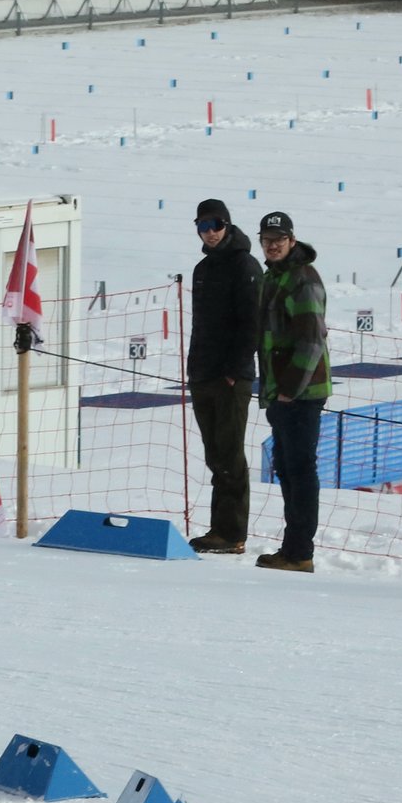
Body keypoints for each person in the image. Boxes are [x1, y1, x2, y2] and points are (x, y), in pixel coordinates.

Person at [254, 211, 329, 573]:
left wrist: (288, 390)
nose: (272, 245)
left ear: (292, 241)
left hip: (300, 393)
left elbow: (311, 341)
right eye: (267, 240)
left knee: (299, 471)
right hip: (281, 392)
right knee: (287, 467)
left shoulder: (303, 280)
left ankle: (300, 552)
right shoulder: (275, 277)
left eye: (279, 240)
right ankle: (293, 548)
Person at [185, 199, 261, 554]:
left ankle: (232, 534)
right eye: (203, 226)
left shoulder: (245, 265)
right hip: (203, 374)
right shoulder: (203, 268)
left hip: (231, 378)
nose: (210, 232)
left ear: (227, 225)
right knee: (215, 455)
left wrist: (233, 370)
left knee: (230, 455)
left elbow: (252, 324)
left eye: (215, 224)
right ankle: (220, 530)